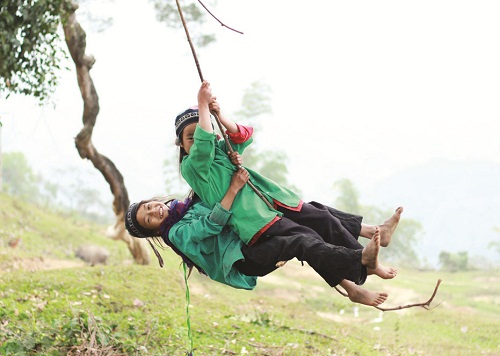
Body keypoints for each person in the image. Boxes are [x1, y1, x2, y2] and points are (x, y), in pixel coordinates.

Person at [174, 80, 403, 280]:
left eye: (199, 133)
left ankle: (368, 260)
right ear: (181, 145)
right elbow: (202, 149)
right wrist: (202, 105)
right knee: (308, 238)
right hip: (256, 220)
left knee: (322, 218)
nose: (195, 139)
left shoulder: (221, 150)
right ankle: (360, 264)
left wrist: (219, 115)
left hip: (273, 201)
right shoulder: (192, 167)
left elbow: (242, 135)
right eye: (189, 137)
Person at [125, 168, 394, 307]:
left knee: (310, 212)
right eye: (148, 219)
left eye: (148, 207)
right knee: (300, 241)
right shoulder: (176, 232)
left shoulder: (184, 206)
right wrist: (233, 188)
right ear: (153, 230)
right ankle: (361, 261)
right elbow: (213, 224)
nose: (153, 212)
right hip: (244, 260)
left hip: (248, 238)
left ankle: (370, 240)